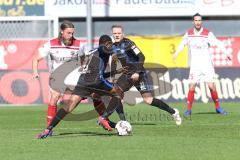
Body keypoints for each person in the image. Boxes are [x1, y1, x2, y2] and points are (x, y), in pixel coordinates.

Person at [36, 35, 124, 139]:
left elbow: (97, 72)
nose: (110, 46)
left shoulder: (91, 52)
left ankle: (48, 129)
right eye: (109, 44)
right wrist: (115, 50)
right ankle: (107, 118)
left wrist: (115, 71)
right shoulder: (103, 49)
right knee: (119, 92)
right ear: (104, 44)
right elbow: (104, 50)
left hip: (82, 82)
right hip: (95, 81)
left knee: (68, 107)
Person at [102, 25, 182, 129]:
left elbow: (141, 56)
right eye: (115, 33)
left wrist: (138, 72)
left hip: (138, 73)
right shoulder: (113, 47)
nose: (117, 35)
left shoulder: (128, 43)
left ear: (123, 34)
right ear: (112, 34)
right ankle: (124, 121)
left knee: (148, 100)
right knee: (116, 94)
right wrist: (112, 76)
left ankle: (173, 112)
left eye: (119, 33)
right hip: (127, 74)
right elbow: (114, 60)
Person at [172, 13, 230, 116]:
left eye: (199, 20)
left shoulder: (207, 33)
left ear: (201, 22)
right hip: (195, 66)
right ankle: (188, 110)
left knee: (211, 86)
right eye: (196, 20)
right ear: (193, 22)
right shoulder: (189, 33)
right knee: (192, 86)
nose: (198, 22)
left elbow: (218, 43)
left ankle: (218, 108)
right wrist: (176, 53)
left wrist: (226, 53)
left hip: (207, 65)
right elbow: (182, 44)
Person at [32, 21, 83, 126]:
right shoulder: (51, 44)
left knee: (89, 96)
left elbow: (84, 60)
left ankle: (103, 120)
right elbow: (35, 59)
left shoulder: (79, 45)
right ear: (62, 32)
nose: (71, 35)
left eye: (72, 33)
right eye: (68, 33)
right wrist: (35, 72)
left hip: (74, 76)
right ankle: (49, 127)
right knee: (55, 96)